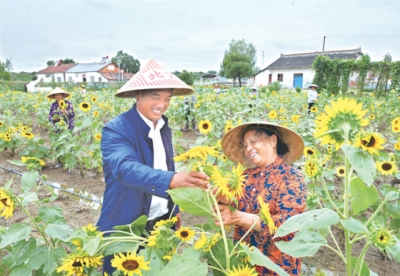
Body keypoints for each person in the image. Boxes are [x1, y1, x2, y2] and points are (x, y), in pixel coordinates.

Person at [96, 59, 210, 274]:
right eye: (155, 97)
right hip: (126, 219)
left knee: (157, 269)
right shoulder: (116, 129)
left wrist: (173, 208)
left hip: (160, 221)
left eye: (167, 98)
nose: (162, 104)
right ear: (137, 95)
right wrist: (172, 180)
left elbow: (165, 165)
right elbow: (125, 168)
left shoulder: (163, 127)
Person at [216, 121, 306, 275]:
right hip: (244, 265)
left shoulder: (291, 177)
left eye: (253, 142)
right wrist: (220, 201)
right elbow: (229, 201)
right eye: (245, 145)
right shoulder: (244, 177)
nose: (248, 148)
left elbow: (289, 224)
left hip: (277, 266)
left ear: (273, 141)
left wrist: (242, 218)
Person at [47, 87, 75, 168]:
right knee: (58, 144)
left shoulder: (68, 104)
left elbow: (73, 115)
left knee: (69, 143)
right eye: (56, 95)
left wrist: (66, 112)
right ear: (54, 96)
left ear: (63, 96)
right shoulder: (53, 105)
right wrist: (53, 118)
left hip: (67, 127)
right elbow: (49, 116)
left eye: (60, 94)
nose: (58, 96)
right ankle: (59, 161)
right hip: (57, 127)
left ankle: (70, 160)